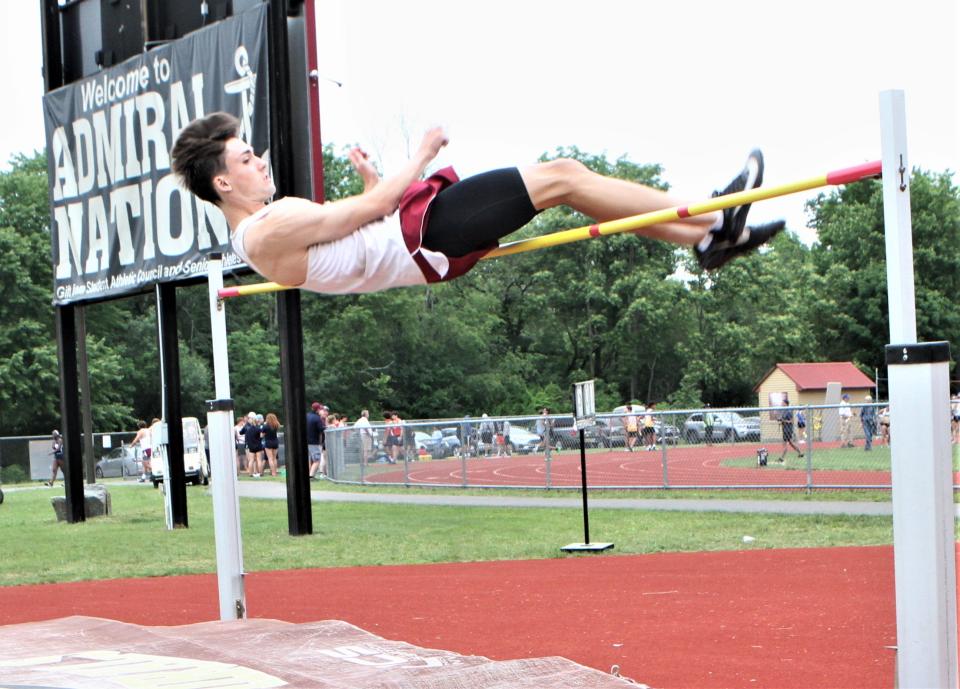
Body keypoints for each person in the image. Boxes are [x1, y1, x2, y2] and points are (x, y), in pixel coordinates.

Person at [171, 113, 784, 296]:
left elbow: (353, 237)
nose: (260, 163)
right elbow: (374, 212)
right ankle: (707, 218)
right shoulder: (264, 231)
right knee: (563, 177)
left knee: (565, 181)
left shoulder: (263, 235)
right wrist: (420, 153)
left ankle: (704, 235)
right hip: (426, 234)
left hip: (421, 238)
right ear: (222, 183)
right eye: (247, 159)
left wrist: (369, 181)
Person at [777, 397, 804, 463]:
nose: (781, 404)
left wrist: (783, 420)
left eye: (783, 403)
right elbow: (783, 420)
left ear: (786, 404)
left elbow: (791, 421)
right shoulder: (784, 411)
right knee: (791, 443)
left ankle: (782, 458)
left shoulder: (788, 411)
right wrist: (781, 421)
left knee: (785, 443)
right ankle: (800, 453)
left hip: (788, 430)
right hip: (785, 429)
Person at [241, 412, 264, 477]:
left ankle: (250, 473)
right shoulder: (258, 429)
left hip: (251, 446)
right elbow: (261, 436)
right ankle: (261, 473)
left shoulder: (248, 429)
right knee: (259, 460)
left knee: (251, 460)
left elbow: (246, 437)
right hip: (258, 446)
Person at [306, 402, 324, 478]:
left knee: (309, 459)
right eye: (320, 409)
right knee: (317, 460)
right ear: (317, 410)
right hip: (313, 442)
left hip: (305, 441)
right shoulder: (317, 418)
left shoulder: (306, 416)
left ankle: (308, 474)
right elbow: (321, 429)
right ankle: (311, 476)